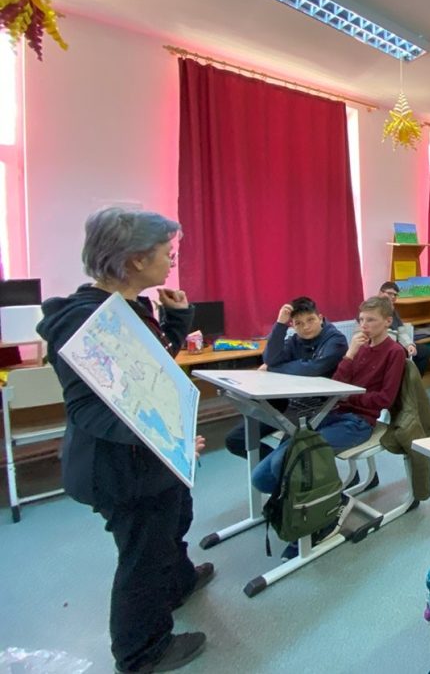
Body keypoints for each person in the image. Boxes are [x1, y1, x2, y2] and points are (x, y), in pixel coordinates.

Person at [37, 208, 209, 673]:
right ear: (135, 260)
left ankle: (179, 583)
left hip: (151, 459)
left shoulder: (131, 308)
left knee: (174, 521)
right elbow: (90, 409)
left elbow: (150, 368)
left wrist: (177, 319)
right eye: (166, 253)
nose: (172, 261)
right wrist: (163, 439)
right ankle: (142, 652)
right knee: (143, 555)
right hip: (120, 468)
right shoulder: (84, 320)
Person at [251, 296, 406, 498]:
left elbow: (385, 399)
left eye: (371, 320)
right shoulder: (359, 346)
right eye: (361, 320)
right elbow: (337, 383)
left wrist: (347, 398)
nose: (364, 325)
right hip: (330, 414)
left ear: (388, 321)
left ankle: (331, 502)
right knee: (261, 477)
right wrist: (350, 354)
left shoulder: (395, 352)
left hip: (358, 422)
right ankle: (297, 501)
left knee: (286, 461)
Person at [223, 296, 347, 459]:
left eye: (310, 320)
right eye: (299, 323)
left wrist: (273, 369)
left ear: (320, 318)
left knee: (287, 453)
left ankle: (280, 466)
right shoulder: (296, 340)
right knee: (236, 440)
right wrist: (280, 324)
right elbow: (270, 359)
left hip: (320, 406)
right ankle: (279, 468)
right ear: (293, 325)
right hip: (288, 400)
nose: (306, 327)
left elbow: (313, 369)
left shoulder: (336, 340)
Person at [379, 280, 430, 373]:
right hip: (383, 346)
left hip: (396, 343)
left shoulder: (393, 311)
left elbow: (401, 331)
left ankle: (413, 380)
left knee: (424, 351)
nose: (393, 297)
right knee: (399, 355)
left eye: (395, 295)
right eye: (389, 293)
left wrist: (409, 345)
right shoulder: (372, 309)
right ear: (380, 293)